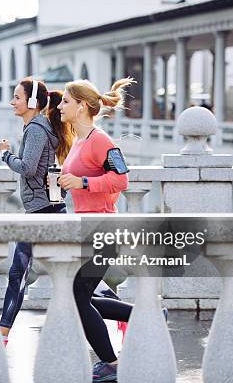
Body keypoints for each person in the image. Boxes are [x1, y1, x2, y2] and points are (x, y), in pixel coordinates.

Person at [57, 77, 162, 382]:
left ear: (82, 106)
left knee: (76, 295)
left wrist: (84, 182)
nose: (60, 106)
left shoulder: (101, 139)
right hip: (87, 228)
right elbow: (79, 179)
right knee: (78, 295)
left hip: (105, 230)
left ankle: (111, 363)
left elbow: (121, 180)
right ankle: (148, 316)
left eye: (65, 101)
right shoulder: (79, 141)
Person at [0, 78, 74, 345]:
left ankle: (2, 334)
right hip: (45, 207)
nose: (12, 102)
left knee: (18, 272)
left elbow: (28, 168)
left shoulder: (36, 129)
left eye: (16, 97)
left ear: (31, 102)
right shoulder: (38, 127)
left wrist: (5, 155)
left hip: (42, 210)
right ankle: (3, 332)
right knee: (74, 274)